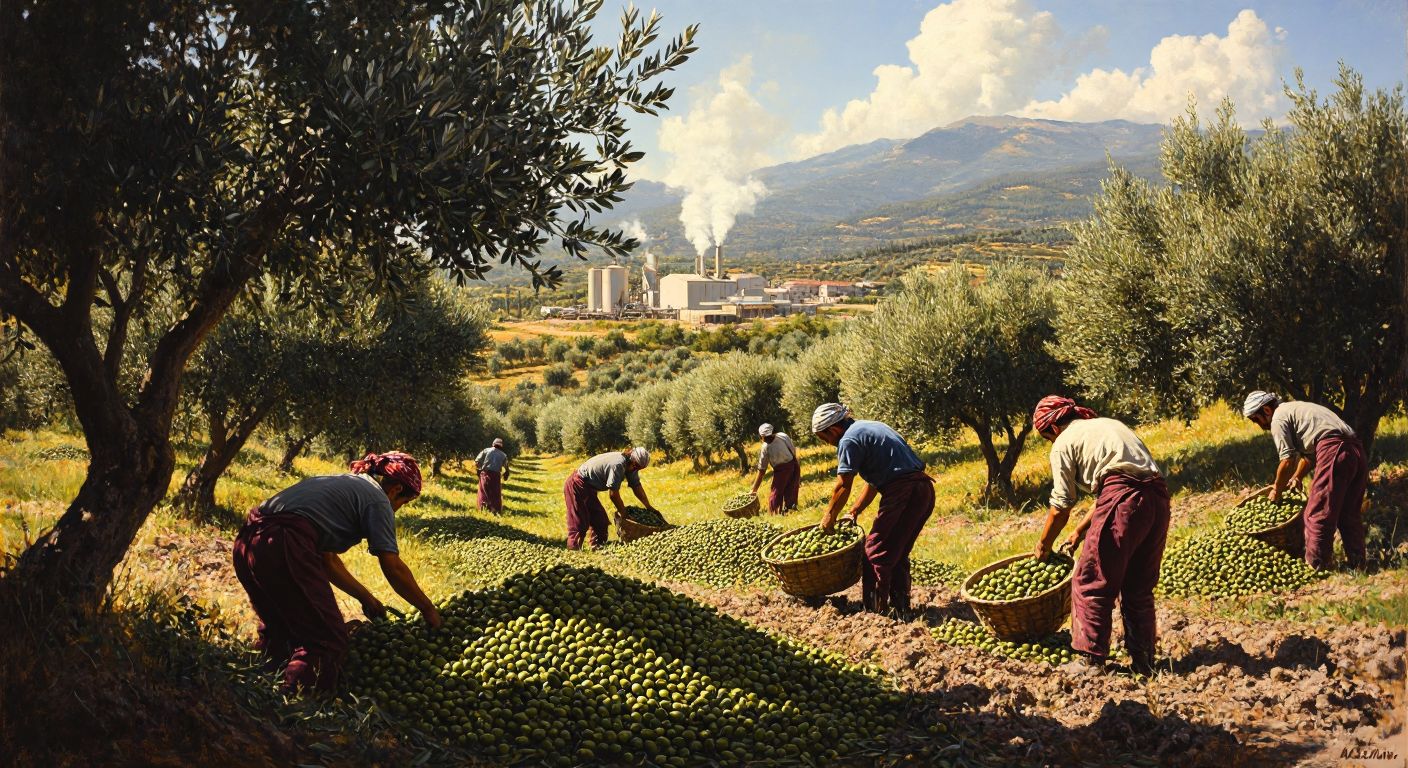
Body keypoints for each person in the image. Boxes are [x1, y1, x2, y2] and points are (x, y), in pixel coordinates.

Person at [232, 451, 442, 694]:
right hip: (282, 542)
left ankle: (255, 690)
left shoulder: (348, 484)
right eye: (402, 503)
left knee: (280, 626)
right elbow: (392, 566)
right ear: (396, 489)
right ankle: (297, 704)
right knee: (326, 639)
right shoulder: (378, 499)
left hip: (249, 542)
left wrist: (367, 598)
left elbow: (328, 560)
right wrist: (428, 610)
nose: (397, 509)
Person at [1030, 395, 1167, 676]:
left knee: (1089, 578)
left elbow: (1061, 506)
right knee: (1138, 586)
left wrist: (1044, 544)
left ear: (1053, 428)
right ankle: (1144, 662)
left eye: (1047, 437)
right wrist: (1079, 532)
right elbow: (1119, 484)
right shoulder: (1107, 425)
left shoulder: (1063, 442)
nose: (1050, 442)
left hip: (1124, 500)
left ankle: (1089, 659)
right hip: (1157, 498)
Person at [811, 403, 933, 615]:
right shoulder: (870, 427)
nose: (827, 443)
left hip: (903, 492)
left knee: (874, 552)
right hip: (923, 491)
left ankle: (874, 611)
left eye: (824, 438)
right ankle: (900, 608)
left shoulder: (848, 439)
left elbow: (843, 485)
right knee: (897, 550)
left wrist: (829, 516)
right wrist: (854, 511)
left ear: (833, 430)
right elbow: (875, 482)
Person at [1242, 391, 1368, 570]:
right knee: (1348, 513)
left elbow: (1287, 461)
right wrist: (1297, 477)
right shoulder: (1296, 409)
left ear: (1267, 410)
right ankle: (1359, 566)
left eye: (1256, 419)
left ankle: (1317, 566)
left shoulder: (1278, 418)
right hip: (1355, 450)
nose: (1258, 425)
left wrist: (1277, 490)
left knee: (1316, 513)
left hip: (1335, 449)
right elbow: (1310, 456)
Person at [563, 447, 658, 550]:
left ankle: (597, 547)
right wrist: (624, 513)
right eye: (636, 466)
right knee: (579, 520)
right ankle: (574, 549)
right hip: (577, 484)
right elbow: (613, 495)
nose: (635, 470)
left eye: (639, 468)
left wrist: (648, 506)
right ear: (632, 459)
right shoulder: (618, 465)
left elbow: (636, 486)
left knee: (600, 520)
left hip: (589, 488)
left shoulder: (631, 467)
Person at [750, 423, 800, 514]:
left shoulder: (783, 437)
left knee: (791, 489)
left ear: (774, 433)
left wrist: (795, 464)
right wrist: (754, 490)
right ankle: (775, 513)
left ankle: (790, 510)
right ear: (761, 437)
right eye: (765, 438)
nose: (767, 439)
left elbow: (793, 450)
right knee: (776, 493)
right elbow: (762, 470)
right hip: (780, 470)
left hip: (792, 464)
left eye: (769, 437)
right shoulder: (765, 447)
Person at [474, 437, 511, 515]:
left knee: (483, 491)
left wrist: (480, 469)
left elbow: (477, 461)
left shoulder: (486, 450)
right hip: (496, 475)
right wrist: (506, 474)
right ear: (501, 446)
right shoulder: (503, 455)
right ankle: (495, 510)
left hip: (485, 473)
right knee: (495, 493)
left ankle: (482, 508)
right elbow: (506, 468)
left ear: (493, 444)